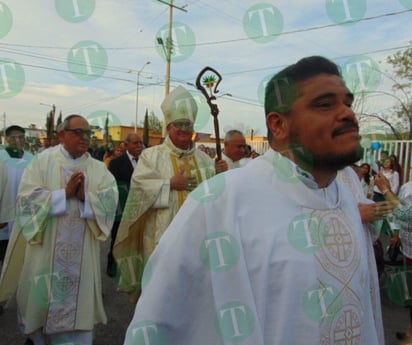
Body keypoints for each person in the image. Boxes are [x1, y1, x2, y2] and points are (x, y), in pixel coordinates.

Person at [122, 56, 384, 344]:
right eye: (325, 104)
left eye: (348, 102)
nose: (347, 113)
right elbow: (159, 323)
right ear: (279, 125)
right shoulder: (222, 202)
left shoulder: (344, 198)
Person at [0, 115, 118, 345]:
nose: (85, 138)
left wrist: (87, 198)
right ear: (62, 135)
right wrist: (62, 195)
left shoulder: (97, 169)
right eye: (79, 132)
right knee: (42, 317)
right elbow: (25, 201)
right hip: (46, 255)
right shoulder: (42, 162)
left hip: (82, 260)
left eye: (88, 133)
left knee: (79, 330)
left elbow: (110, 200)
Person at [113, 85, 227, 302]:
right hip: (161, 241)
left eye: (188, 126)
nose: (184, 131)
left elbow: (216, 198)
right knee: (161, 298)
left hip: (196, 241)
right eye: (179, 126)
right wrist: (169, 184)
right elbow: (138, 192)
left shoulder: (205, 160)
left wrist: (221, 175)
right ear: (169, 127)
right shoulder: (151, 156)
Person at [374, 173, 412, 342]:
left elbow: (406, 214)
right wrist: (397, 233)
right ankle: (410, 332)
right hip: (409, 249)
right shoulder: (407, 186)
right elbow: (399, 213)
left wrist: (385, 189)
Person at [106, 133, 144, 277]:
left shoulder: (147, 161)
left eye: (140, 143)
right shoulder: (116, 163)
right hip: (122, 209)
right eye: (135, 143)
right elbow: (112, 186)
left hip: (141, 207)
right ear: (126, 145)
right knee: (117, 237)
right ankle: (112, 264)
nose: (139, 146)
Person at [0, 125, 34, 262]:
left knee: (18, 259)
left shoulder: (32, 159)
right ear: (7, 139)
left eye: (21, 137)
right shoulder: (1, 157)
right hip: (3, 214)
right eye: (13, 137)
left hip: (23, 215)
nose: (18, 140)